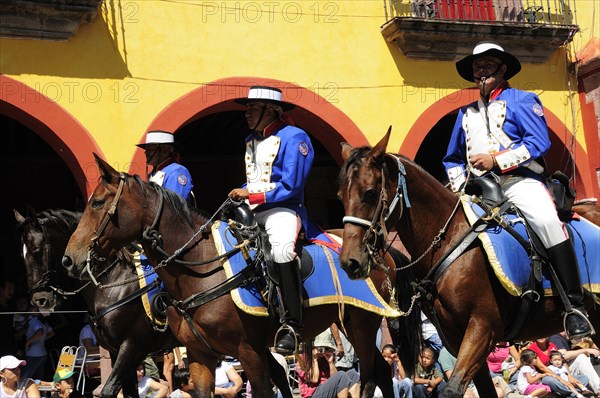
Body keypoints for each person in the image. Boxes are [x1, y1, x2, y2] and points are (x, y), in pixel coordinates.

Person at [443, 41, 592, 339]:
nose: (480, 73)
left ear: (503, 69)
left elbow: (538, 143)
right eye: (476, 68)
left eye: (486, 66)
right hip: (477, 190)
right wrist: (461, 186)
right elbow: (452, 159)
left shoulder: (523, 100)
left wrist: (495, 160)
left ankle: (575, 308)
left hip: (519, 182)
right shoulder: (465, 114)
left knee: (548, 223)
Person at [231, 86, 314, 354]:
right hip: (254, 208)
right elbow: (257, 180)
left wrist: (250, 193)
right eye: (247, 109)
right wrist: (241, 192)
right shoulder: (250, 139)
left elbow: (291, 184)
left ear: (271, 110)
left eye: (252, 109)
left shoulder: (295, 137)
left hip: (284, 209)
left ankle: (292, 323)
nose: (246, 114)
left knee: (281, 251)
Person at [296, 330, 360, 398]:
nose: (322, 351)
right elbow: (314, 379)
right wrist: (314, 359)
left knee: (353, 374)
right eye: (320, 348)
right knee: (341, 375)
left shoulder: (325, 358)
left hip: (327, 390)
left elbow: (335, 378)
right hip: (312, 394)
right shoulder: (303, 358)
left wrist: (330, 362)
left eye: (326, 348)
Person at [136, 130, 195, 204]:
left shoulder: (177, 171)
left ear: (165, 150)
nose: (146, 152)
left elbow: (175, 206)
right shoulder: (151, 174)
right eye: (146, 149)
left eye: (150, 149)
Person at [21, 308, 54, 380]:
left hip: (33, 354)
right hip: (42, 353)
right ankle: (40, 391)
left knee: (25, 378)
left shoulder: (34, 321)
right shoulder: (43, 322)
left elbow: (40, 332)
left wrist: (29, 341)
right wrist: (42, 339)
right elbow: (52, 333)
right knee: (39, 378)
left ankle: (22, 391)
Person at [0, 279, 17, 356]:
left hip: (10, 346)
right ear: (1, 289)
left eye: (13, 289)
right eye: (9, 288)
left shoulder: (11, 306)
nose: (12, 292)